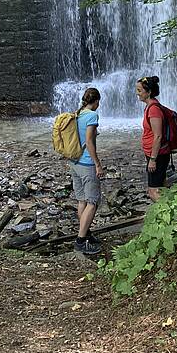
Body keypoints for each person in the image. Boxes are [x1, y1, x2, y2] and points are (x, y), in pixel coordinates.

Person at [69, 87, 105, 254]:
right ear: (96, 101)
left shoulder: (78, 114)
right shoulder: (92, 116)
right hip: (86, 164)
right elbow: (89, 142)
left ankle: (86, 232)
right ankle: (81, 240)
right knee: (92, 202)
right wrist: (97, 164)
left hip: (74, 162)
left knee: (82, 200)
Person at [136, 75, 170, 202]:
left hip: (158, 155)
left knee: (153, 190)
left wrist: (153, 159)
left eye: (139, 90)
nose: (137, 93)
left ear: (149, 92)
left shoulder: (154, 109)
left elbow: (158, 136)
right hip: (155, 154)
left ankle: (166, 216)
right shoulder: (150, 107)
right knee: (161, 186)